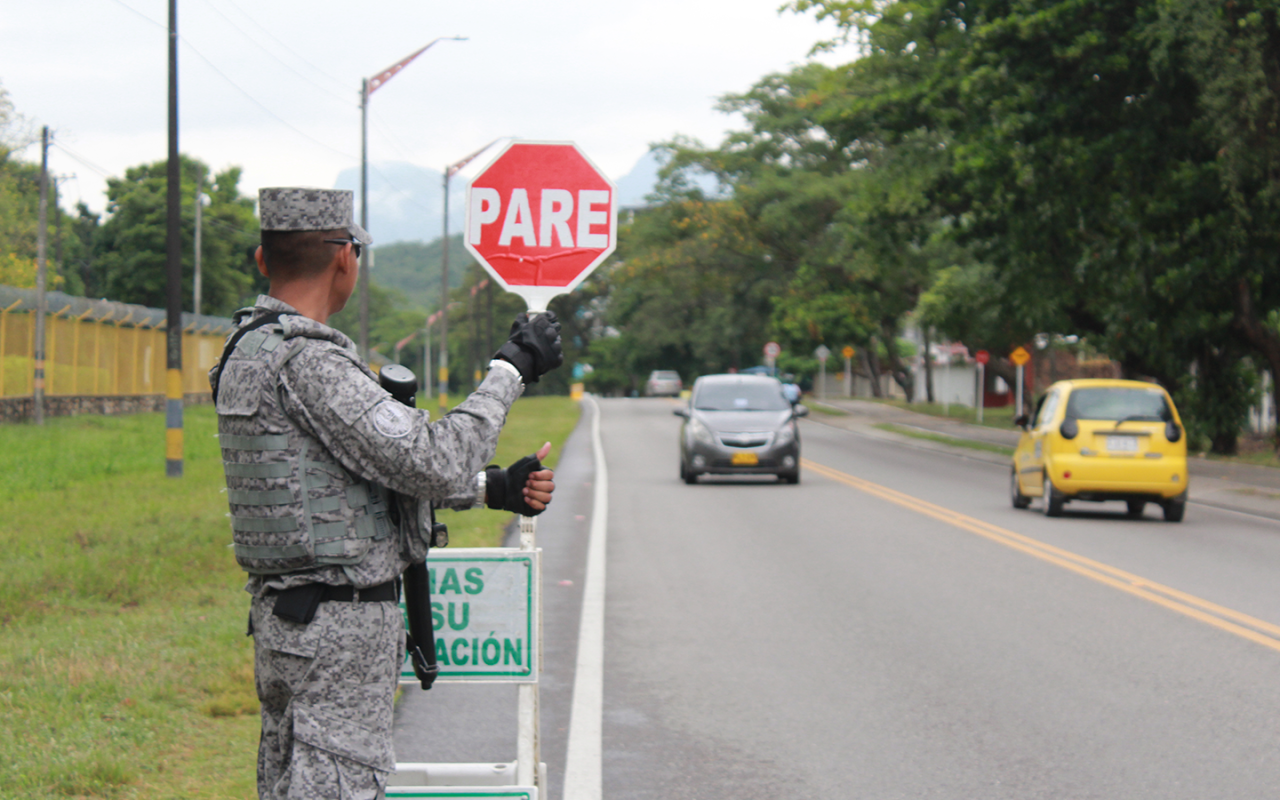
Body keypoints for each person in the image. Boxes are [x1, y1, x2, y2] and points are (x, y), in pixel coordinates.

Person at [209, 187, 564, 799]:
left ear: (264, 261)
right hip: (336, 631)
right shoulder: (310, 362)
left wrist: (490, 489)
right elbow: (429, 459)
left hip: (289, 621)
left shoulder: (248, 350)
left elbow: (345, 477)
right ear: (345, 257)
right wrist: (509, 371)